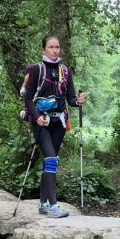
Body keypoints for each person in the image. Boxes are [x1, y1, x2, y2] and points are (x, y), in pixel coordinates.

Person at [23, 35, 85, 218]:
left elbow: (70, 98)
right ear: (43, 49)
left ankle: (43, 204)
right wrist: (36, 117)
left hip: (59, 123)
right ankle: (53, 206)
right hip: (41, 122)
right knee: (50, 158)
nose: (55, 50)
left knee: (51, 161)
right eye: (51, 47)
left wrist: (78, 101)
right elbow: (28, 98)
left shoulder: (65, 71)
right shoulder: (36, 70)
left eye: (57, 47)